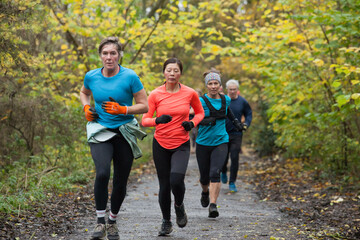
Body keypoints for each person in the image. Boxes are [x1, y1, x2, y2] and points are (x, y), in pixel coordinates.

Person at [79, 37, 149, 240]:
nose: (109, 57)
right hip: (100, 130)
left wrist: (123, 109)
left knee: (120, 180)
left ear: (119, 55)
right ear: (100, 56)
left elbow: (144, 105)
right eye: (105, 53)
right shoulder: (91, 76)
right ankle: (100, 222)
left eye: (113, 53)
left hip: (124, 132)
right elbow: (84, 93)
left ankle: (112, 221)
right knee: (102, 173)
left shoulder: (130, 76)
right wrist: (86, 107)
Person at [141, 58, 204, 236]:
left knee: (176, 180)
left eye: (176, 70)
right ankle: (166, 222)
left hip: (181, 143)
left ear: (180, 73)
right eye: (169, 70)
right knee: (164, 185)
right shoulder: (155, 94)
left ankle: (179, 206)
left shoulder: (190, 93)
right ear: (164, 72)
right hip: (160, 143)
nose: (172, 74)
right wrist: (157, 120)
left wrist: (191, 124)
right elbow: (144, 120)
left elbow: (200, 113)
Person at [195, 69, 243, 218]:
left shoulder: (225, 99)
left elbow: (228, 111)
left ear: (220, 85)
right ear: (206, 85)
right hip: (203, 142)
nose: (213, 86)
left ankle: (213, 204)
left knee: (215, 172)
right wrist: (203, 121)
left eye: (216, 83)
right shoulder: (200, 101)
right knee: (204, 177)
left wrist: (236, 122)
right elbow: (194, 117)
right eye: (210, 83)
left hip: (221, 141)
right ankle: (205, 192)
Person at [221, 79, 252, 192]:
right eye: (230, 89)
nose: (233, 91)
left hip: (237, 133)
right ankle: (223, 171)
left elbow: (249, 114)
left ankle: (232, 182)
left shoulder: (242, 102)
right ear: (227, 90)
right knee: (223, 157)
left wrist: (246, 124)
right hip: (223, 133)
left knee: (234, 157)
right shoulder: (223, 101)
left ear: (237, 90)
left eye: (234, 89)